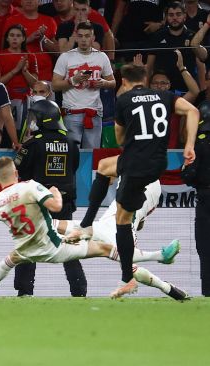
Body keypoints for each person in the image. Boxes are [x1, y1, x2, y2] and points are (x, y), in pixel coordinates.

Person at [0, 157, 182, 300]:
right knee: (106, 249)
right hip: (53, 248)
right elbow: (56, 206)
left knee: (6, 262)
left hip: (25, 251)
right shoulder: (30, 187)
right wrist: (56, 192)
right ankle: (162, 278)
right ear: (16, 174)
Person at [76, 64, 198, 298]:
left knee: (122, 220)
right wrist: (189, 145)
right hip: (157, 164)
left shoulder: (123, 101)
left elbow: (120, 139)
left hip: (135, 164)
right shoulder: (165, 96)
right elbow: (192, 111)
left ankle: (127, 277)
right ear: (147, 79)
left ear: (124, 82)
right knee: (105, 167)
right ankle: (87, 225)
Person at [58, 180, 190, 300]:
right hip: (114, 227)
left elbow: (106, 178)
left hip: (116, 227)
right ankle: (166, 282)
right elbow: (141, 224)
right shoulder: (155, 190)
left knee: (58, 225)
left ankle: (161, 261)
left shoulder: (128, 165)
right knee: (129, 268)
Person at [12, 100, 87, 297]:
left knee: (28, 245)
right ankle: (79, 291)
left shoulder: (32, 144)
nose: (31, 122)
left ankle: (24, 291)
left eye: (34, 118)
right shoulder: (71, 143)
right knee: (69, 247)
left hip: (38, 204)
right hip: (65, 204)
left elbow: (21, 169)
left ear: (42, 120)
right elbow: (74, 167)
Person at [52, 21, 115, 149]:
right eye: (80, 36)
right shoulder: (66, 57)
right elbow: (54, 85)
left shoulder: (102, 57)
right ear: (76, 37)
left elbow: (113, 83)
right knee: (71, 156)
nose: (84, 39)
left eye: (87, 36)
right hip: (71, 113)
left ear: (93, 38)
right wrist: (73, 80)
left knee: (91, 155)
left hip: (94, 113)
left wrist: (103, 83)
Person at [181, 101, 210, 296]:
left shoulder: (199, 141)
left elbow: (189, 175)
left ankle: (208, 294)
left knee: (206, 251)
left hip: (205, 198)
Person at [146, 1, 206, 93]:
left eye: (178, 14)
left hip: (188, 90)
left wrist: (202, 91)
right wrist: (147, 90)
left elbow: (200, 66)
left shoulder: (193, 37)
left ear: (184, 16)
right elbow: (149, 67)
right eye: (171, 15)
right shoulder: (157, 37)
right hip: (162, 90)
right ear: (166, 17)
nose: (174, 18)